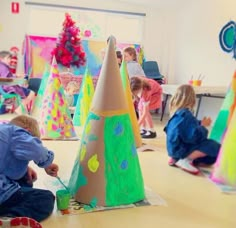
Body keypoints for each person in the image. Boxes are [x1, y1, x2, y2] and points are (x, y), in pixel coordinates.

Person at [0, 115, 59, 223]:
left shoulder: (4, 131)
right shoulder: (17, 133)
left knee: (24, 178)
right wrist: (47, 164)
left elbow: (5, 159)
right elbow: (37, 151)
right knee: (45, 198)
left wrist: (25, 167)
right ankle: (11, 218)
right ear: (27, 131)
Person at [164, 84, 221, 175]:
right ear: (192, 99)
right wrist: (203, 127)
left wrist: (200, 123)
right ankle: (185, 159)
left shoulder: (177, 114)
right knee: (213, 146)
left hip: (173, 149)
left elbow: (184, 129)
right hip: (180, 150)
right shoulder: (186, 115)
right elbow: (194, 137)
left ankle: (176, 158)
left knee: (211, 157)